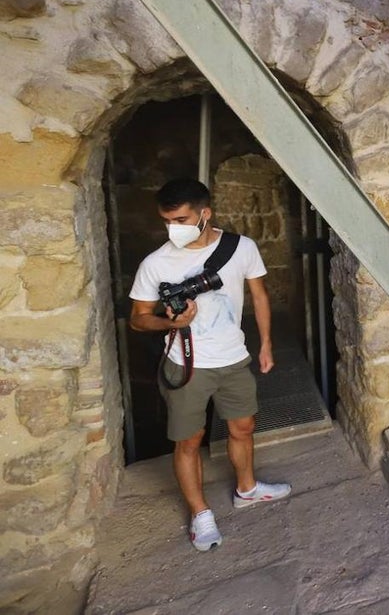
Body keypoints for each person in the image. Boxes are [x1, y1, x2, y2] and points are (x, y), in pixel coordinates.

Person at [129, 178, 290, 551]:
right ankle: (201, 514)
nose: (174, 229)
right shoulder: (155, 263)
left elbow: (259, 295)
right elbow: (138, 318)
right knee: (189, 441)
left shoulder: (242, 247)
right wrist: (172, 323)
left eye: (182, 219)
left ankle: (247, 489)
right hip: (185, 363)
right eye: (167, 221)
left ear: (205, 214)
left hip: (233, 357)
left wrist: (265, 344)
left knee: (243, 427)